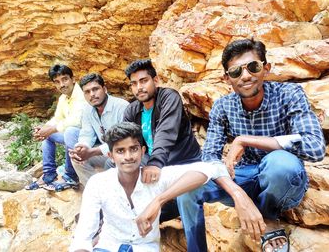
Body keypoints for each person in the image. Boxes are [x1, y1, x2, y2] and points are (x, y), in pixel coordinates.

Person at [175, 38, 326, 252]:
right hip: (243, 178)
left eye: (253, 67)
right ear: (227, 78)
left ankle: (268, 216)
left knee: (280, 163)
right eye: (236, 72)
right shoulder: (223, 106)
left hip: (281, 180)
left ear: (266, 68)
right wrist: (238, 195)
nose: (245, 76)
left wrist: (244, 139)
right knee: (187, 188)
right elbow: (209, 158)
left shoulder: (290, 95)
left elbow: (315, 147)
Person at [69, 122, 230, 252]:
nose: (128, 157)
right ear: (110, 156)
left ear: (142, 151)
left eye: (133, 149)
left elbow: (208, 169)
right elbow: (83, 234)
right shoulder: (98, 183)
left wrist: (159, 200)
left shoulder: (155, 177)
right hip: (108, 246)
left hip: (144, 247)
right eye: (120, 151)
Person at [123, 59, 202, 222]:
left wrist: (154, 163)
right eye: (134, 83)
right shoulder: (132, 110)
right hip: (155, 164)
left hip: (182, 163)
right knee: (116, 169)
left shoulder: (168, 97)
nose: (139, 87)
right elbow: (127, 142)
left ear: (156, 81)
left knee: (152, 211)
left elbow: (166, 132)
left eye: (144, 81)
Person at [26, 64, 87, 191]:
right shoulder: (63, 98)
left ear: (73, 79)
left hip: (87, 138)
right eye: (57, 82)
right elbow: (58, 118)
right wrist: (44, 129)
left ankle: (71, 176)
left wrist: (51, 129)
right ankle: (49, 174)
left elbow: (76, 121)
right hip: (73, 136)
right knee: (47, 136)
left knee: (69, 132)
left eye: (65, 79)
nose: (62, 85)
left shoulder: (82, 95)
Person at [68, 73, 129, 186]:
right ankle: (96, 192)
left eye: (95, 89)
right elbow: (86, 134)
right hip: (105, 152)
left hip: (124, 152)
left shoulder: (122, 107)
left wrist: (92, 152)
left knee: (110, 162)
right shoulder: (87, 109)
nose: (92, 94)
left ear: (104, 89)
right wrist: (82, 148)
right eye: (87, 92)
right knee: (77, 159)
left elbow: (123, 141)